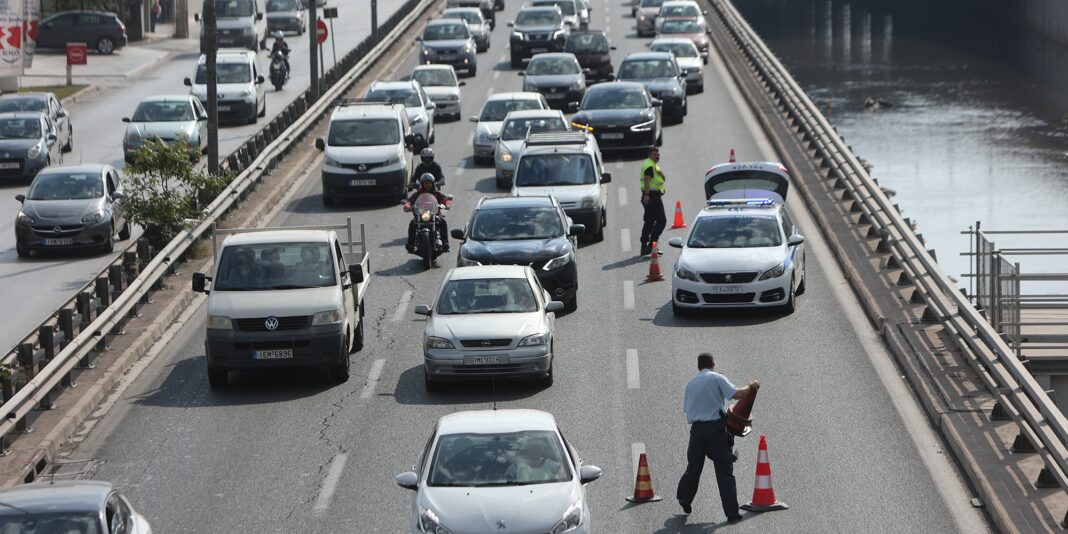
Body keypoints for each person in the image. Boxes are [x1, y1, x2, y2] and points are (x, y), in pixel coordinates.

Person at [676, 352, 760, 522]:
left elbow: (687, 409)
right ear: (713, 365)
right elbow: (736, 394)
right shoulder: (716, 377)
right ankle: (732, 513)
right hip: (716, 429)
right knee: (724, 471)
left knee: (694, 467)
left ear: (698, 366)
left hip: (697, 431)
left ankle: (685, 498)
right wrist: (750, 386)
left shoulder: (690, 384)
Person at [405, 173, 451, 254]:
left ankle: (445, 243)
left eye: (429, 183)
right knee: (412, 224)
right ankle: (410, 245)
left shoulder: (436, 193)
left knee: (443, 222)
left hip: (435, 215)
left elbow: (445, 199)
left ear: (432, 183)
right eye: (426, 183)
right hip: (421, 215)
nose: (428, 185)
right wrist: (408, 206)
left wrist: (446, 204)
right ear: (422, 184)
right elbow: (409, 201)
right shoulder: (418, 194)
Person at [639, 147, 667, 256]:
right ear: (650, 155)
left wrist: (660, 171)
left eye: (658, 155)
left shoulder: (652, 165)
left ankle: (644, 247)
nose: (657, 156)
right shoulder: (650, 166)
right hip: (652, 196)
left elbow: (663, 178)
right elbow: (647, 179)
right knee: (662, 221)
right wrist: (646, 195)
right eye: (655, 154)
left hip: (650, 195)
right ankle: (652, 244)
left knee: (649, 221)